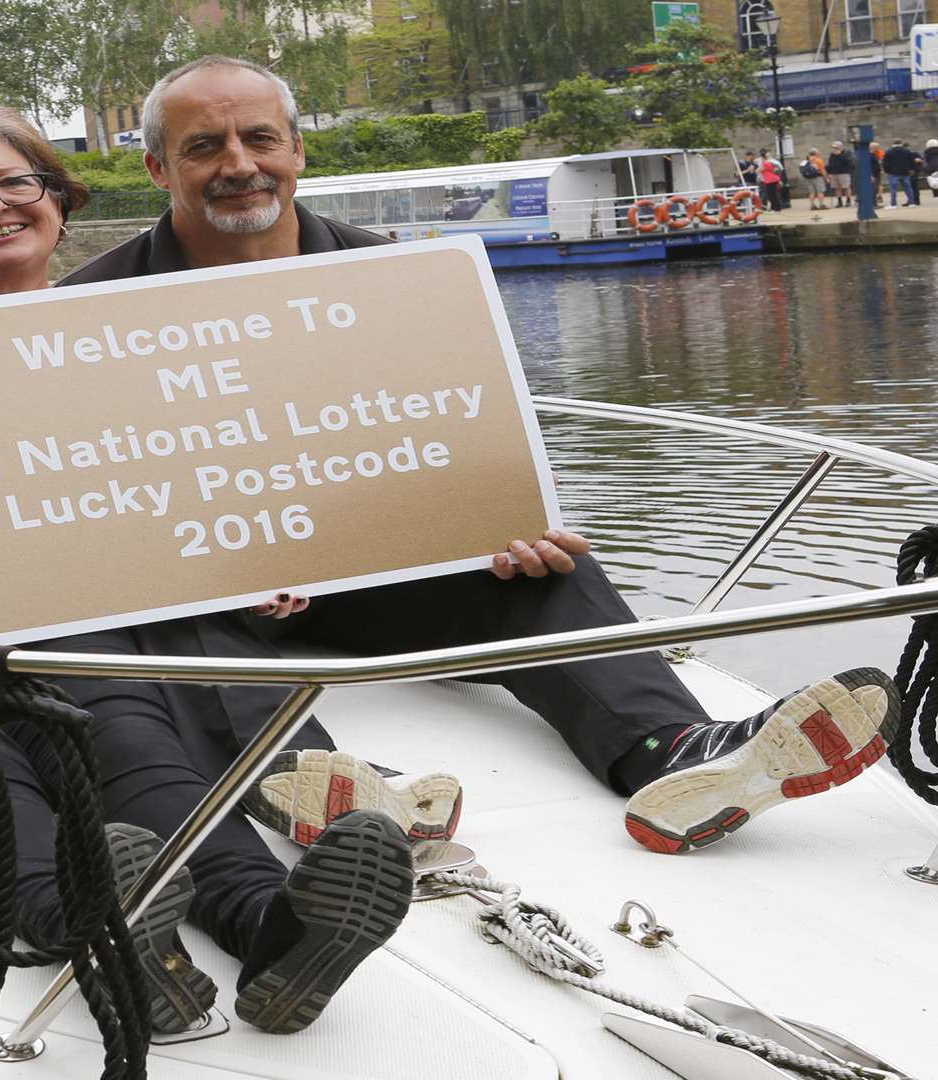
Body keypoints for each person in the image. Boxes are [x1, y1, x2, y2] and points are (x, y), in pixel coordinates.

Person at [61, 55, 902, 856]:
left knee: (545, 568)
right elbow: (88, 505)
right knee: (166, 612)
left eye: (260, 139)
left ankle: (675, 752)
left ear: (297, 150)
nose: (238, 163)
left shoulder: (401, 282)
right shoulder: (81, 317)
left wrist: (502, 522)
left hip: (371, 574)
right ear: (157, 170)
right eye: (203, 147)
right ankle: (314, 782)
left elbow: (455, 446)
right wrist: (220, 563)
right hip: (213, 594)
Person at [0, 102, 420, 1037]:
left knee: (139, 748)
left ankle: (276, 928)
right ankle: (95, 929)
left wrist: (247, 558)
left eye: (17, 182)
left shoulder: (112, 330)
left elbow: (164, 495)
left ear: (56, 201)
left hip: (52, 611)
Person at [883, 139, 918, 208]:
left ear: (893, 143)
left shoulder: (889, 152)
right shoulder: (907, 151)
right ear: (901, 143)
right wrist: (912, 169)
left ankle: (893, 204)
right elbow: (912, 161)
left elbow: (885, 163)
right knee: (908, 188)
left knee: (893, 189)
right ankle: (912, 203)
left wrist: (887, 171)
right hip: (905, 172)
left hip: (893, 173)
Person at [825, 141, 854, 208]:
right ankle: (839, 202)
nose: (834, 149)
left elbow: (849, 162)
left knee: (846, 187)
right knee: (837, 188)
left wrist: (840, 155)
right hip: (834, 173)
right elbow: (830, 163)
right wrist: (829, 172)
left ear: (840, 147)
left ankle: (848, 201)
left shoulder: (846, 153)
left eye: (835, 147)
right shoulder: (832, 154)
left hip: (844, 173)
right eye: (833, 147)